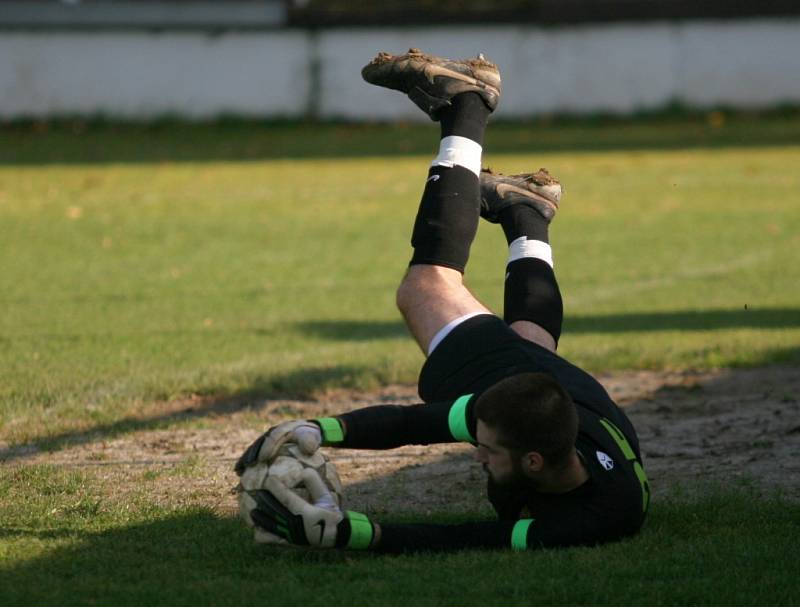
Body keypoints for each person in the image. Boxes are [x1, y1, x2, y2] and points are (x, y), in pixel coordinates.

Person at [235, 48, 650, 553]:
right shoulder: (529, 436)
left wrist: (354, 534)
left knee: (435, 290)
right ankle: (509, 191)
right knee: (459, 312)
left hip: (581, 398)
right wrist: (316, 429)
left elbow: (474, 537)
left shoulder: (594, 516)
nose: (476, 454)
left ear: (534, 462)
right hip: (570, 399)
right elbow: (412, 425)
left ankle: (467, 102)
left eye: (488, 449)